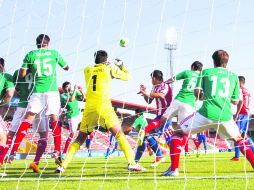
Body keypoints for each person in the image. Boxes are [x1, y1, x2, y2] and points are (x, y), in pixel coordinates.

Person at [162, 50, 254, 176]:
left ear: (213, 61)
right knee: (239, 139)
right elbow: (235, 101)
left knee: (177, 132)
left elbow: (197, 94)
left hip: (205, 114)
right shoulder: (233, 76)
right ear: (227, 62)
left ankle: (174, 169)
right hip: (225, 116)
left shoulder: (205, 72)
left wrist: (204, 97)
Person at [56, 50, 143, 173]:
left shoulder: (87, 70)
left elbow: (97, 69)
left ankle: (62, 165)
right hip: (104, 107)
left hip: (89, 109)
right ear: (106, 60)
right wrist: (121, 66)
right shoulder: (110, 68)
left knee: (79, 139)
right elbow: (128, 77)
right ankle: (132, 163)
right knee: (119, 135)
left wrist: (107, 64)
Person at [8, 34, 69, 166]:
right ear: (48, 43)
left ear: (36, 44)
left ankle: (13, 151)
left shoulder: (30, 54)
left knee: (28, 118)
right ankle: (57, 151)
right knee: (54, 118)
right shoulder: (54, 53)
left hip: (37, 91)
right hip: (52, 91)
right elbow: (66, 67)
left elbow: (23, 74)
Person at [1, 69, 49, 173]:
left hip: (22, 104)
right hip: (38, 104)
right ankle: (35, 163)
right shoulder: (41, 71)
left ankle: (7, 156)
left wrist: (22, 93)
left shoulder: (18, 72)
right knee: (43, 135)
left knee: (11, 133)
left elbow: (14, 88)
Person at [144, 61, 203, 137]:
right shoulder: (202, 77)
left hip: (178, 100)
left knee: (162, 122)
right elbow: (200, 94)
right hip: (189, 105)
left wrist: (164, 83)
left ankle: (146, 130)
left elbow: (173, 79)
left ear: (192, 67)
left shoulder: (187, 72)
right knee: (183, 129)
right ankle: (184, 147)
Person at [137, 70, 172, 166]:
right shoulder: (154, 87)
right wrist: (144, 94)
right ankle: (158, 156)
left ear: (154, 78)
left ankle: (161, 156)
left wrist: (147, 93)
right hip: (159, 117)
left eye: (151, 78)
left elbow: (161, 95)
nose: (151, 80)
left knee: (145, 132)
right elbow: (149, 101)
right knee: (145, 134)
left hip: (165, 116)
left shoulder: (165, 85)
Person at [231, 76, 254, 161]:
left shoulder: (240, 90)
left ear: (240, 82)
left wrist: (236, 114)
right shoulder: (248, 91)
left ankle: (237, 156)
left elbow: (239, 103)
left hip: (242, 114)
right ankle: (237, 156)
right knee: (243, 135)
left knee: (236, 134)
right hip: (248, 113)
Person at [60, 81, 85, 158]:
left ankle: (78, 146)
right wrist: (74, 90)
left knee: (87, 127)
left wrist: (81, 91)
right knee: (72, 134)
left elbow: (83, 99)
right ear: (64, 89)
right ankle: (64, 153)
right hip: (71, 116)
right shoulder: (63, 95)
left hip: (78, 114)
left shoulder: (72, 92)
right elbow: (71, 100)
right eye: (67, 87)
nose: (69, 88)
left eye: (70, 86)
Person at [0, 58, 15, 168]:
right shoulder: (6, 76)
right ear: (1, 65)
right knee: (2, 137)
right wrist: (2, 103)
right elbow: (10, 94)